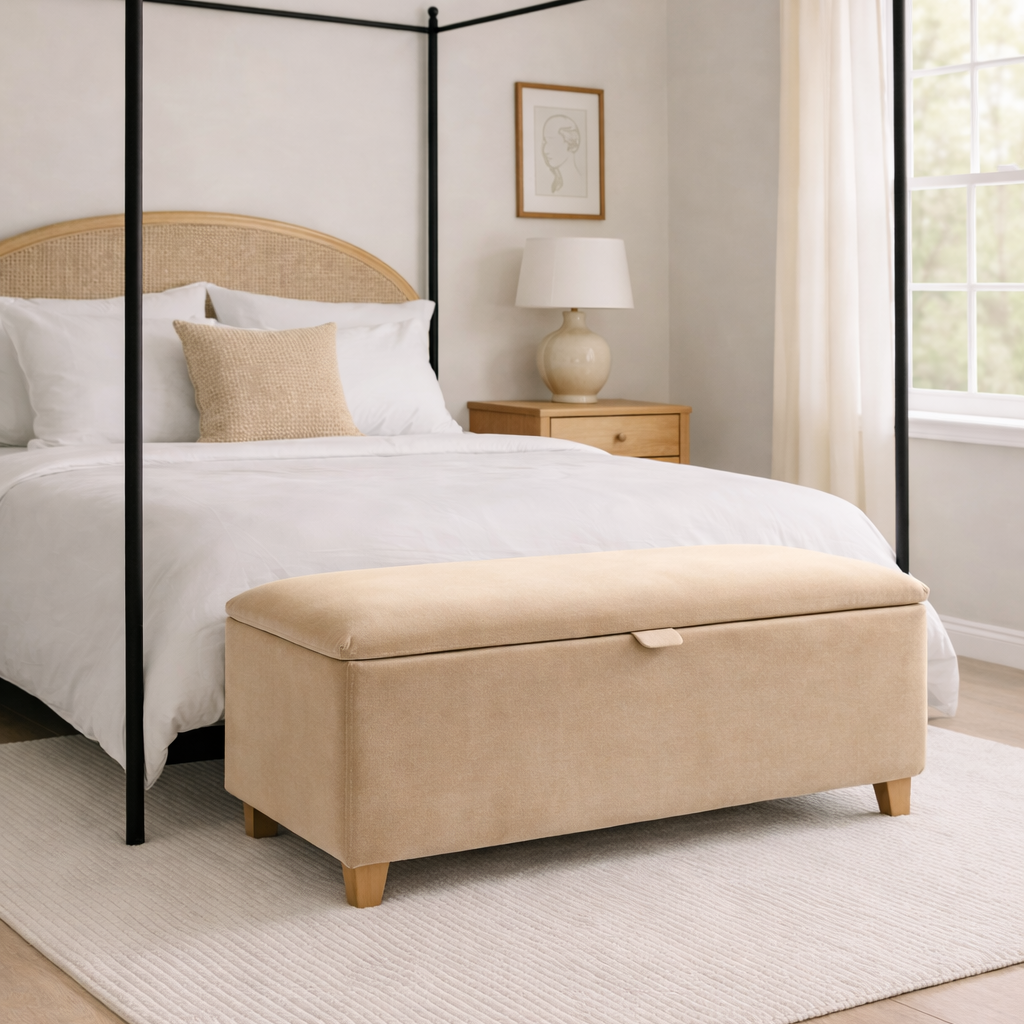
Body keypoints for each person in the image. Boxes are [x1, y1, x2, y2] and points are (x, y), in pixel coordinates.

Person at [540, 114, 586, 196]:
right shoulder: (556, 186)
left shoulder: (578, 187)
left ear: (570, 142)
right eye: (545, 142)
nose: (545, 150)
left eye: (552, 142)